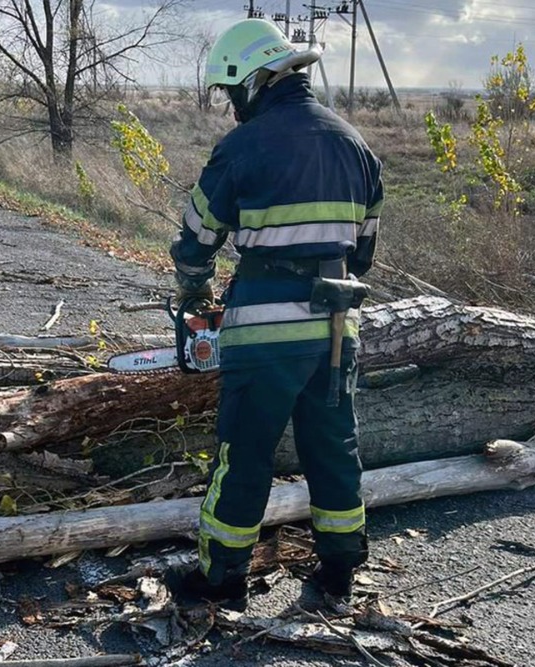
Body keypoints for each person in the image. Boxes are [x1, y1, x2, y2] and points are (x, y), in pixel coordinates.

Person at [165, 18, 384, 611]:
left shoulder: (243, 147)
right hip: (338, 327)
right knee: (334, 446)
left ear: (255, 81)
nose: (233, 107)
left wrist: (193, 288)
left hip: (265, 327)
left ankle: (221, 579)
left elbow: (196, 238)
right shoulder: (355, 145)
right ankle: (339, 573)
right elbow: (362, 252)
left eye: (233, 93)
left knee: (245, 453)